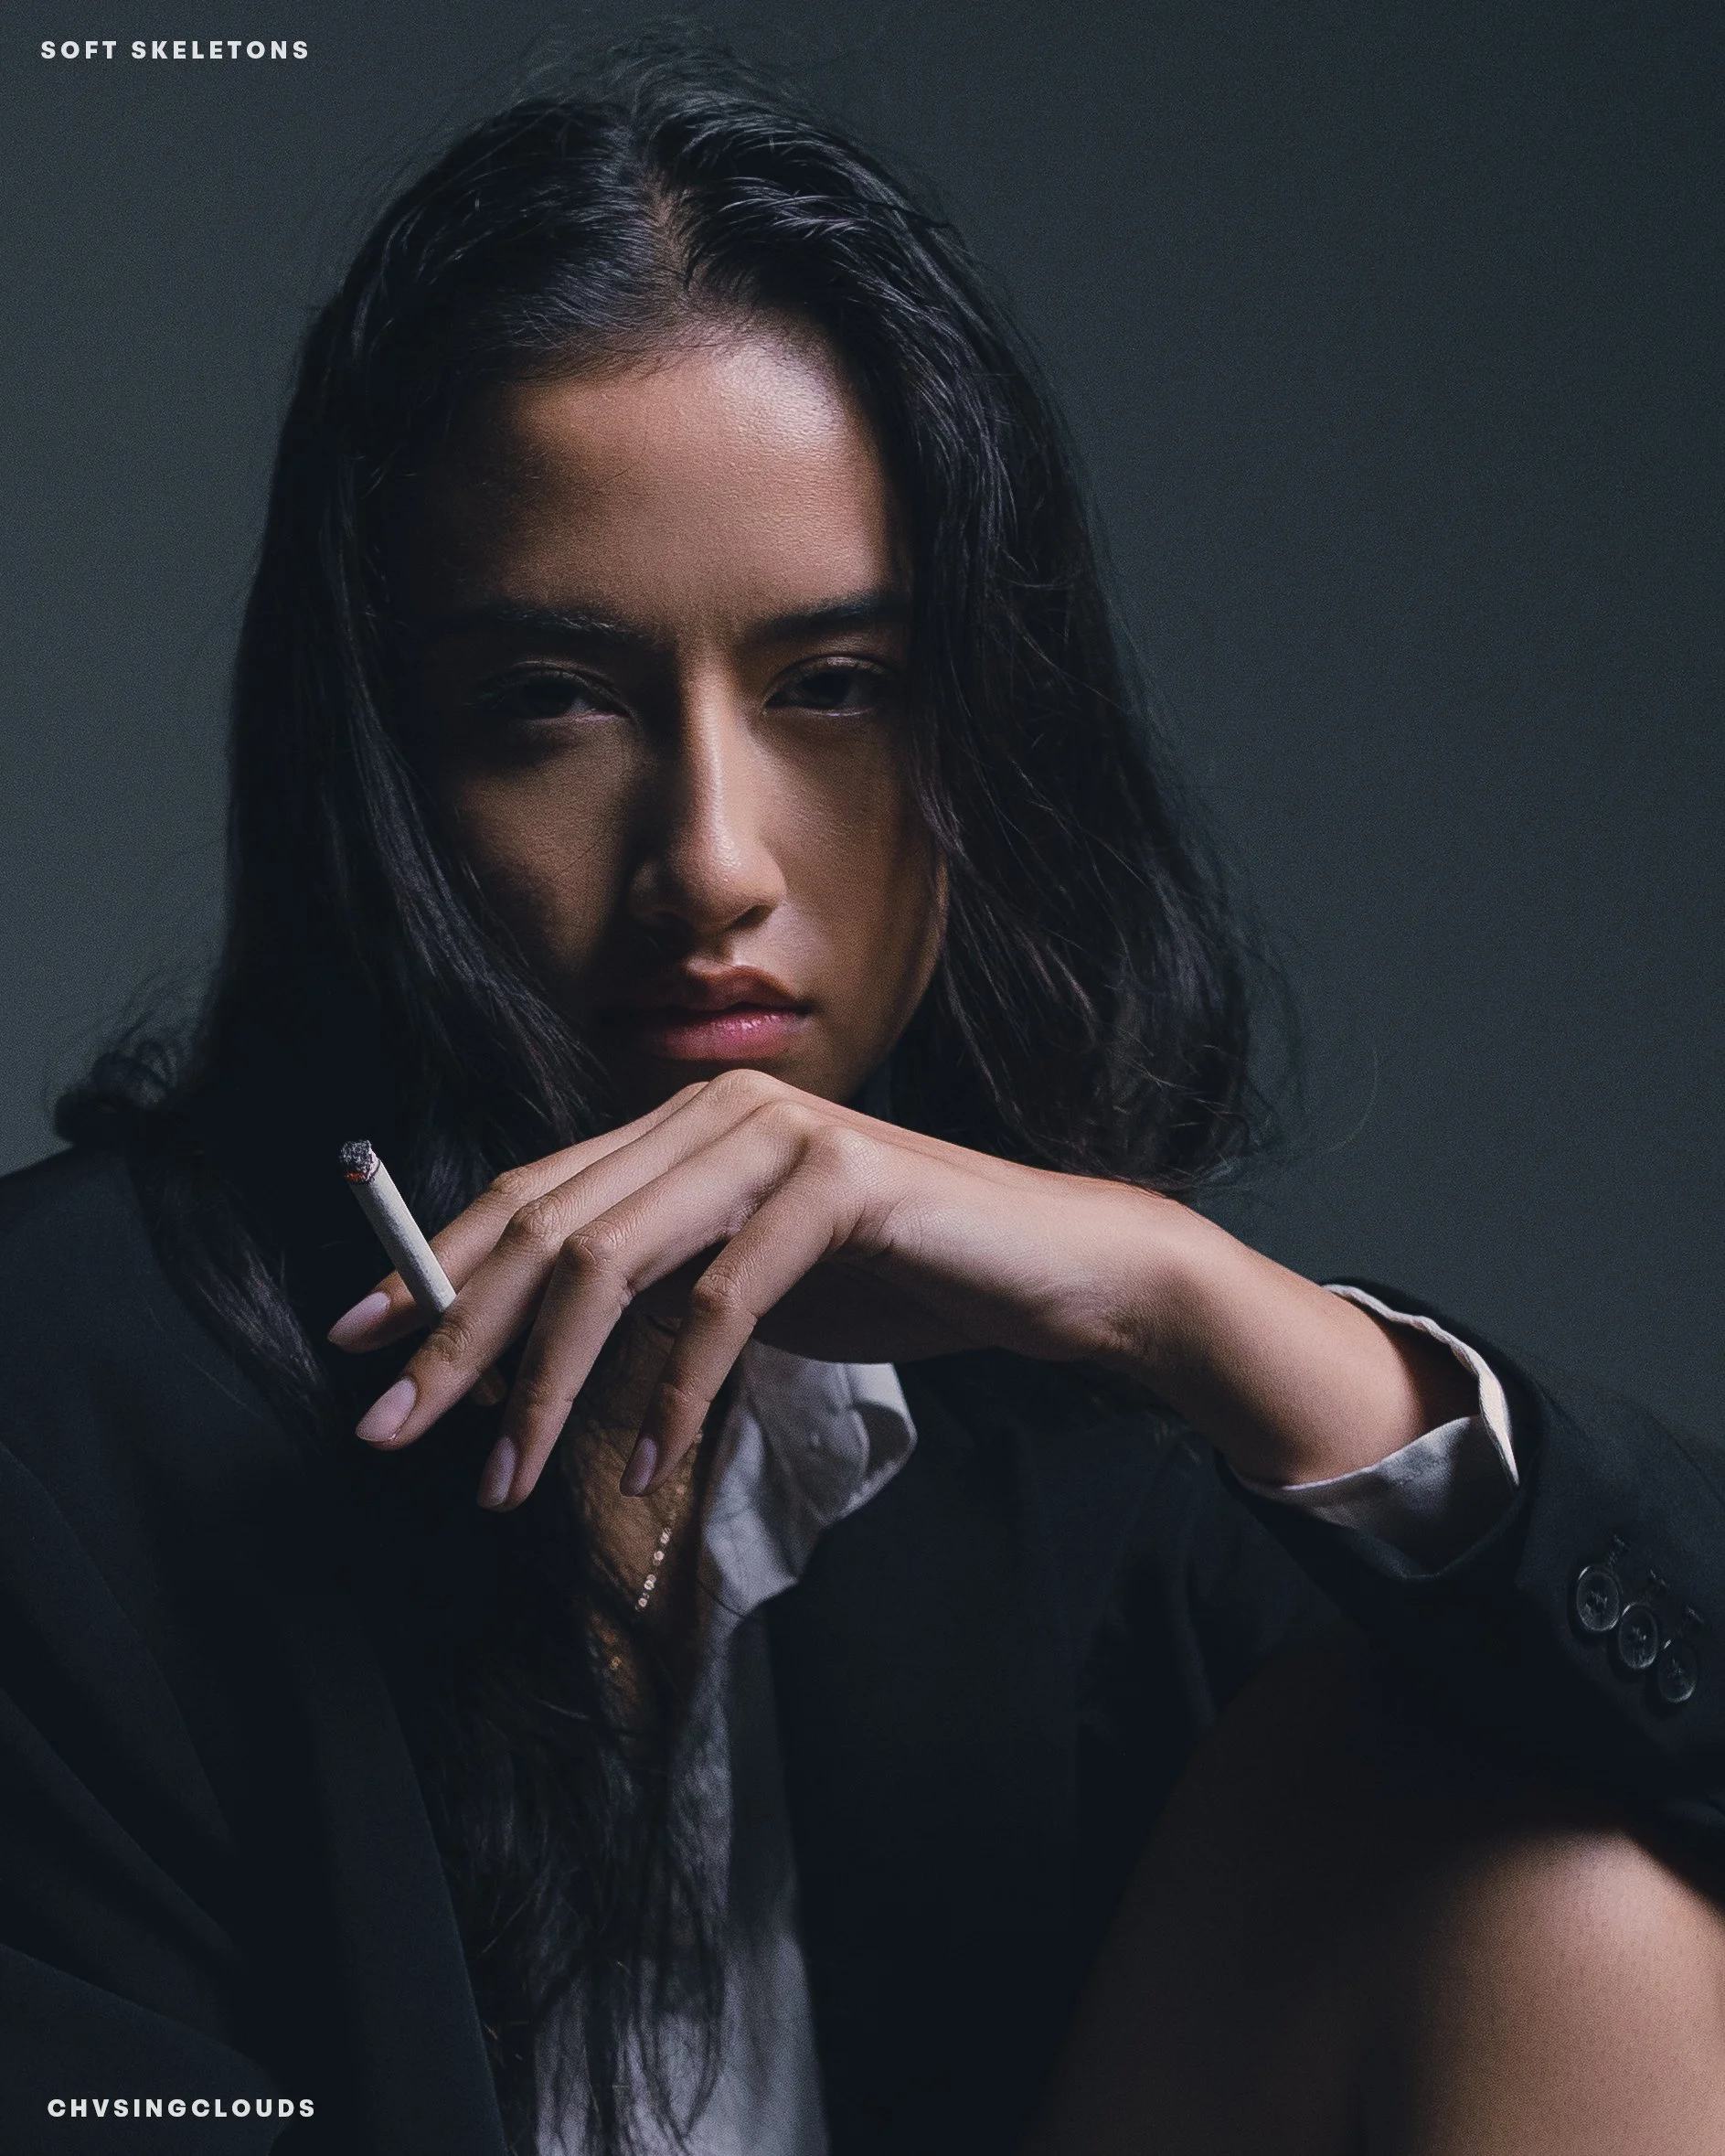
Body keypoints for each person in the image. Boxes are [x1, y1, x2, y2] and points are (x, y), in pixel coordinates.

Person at [2, 43, 1721, 2156]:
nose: (713, 860)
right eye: (548, 703)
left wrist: (1193, 1305)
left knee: (1554, 1859)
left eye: (835, 689)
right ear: (378, 775)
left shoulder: (1066, 1435)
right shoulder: (59, 1421)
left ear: (986, 732)